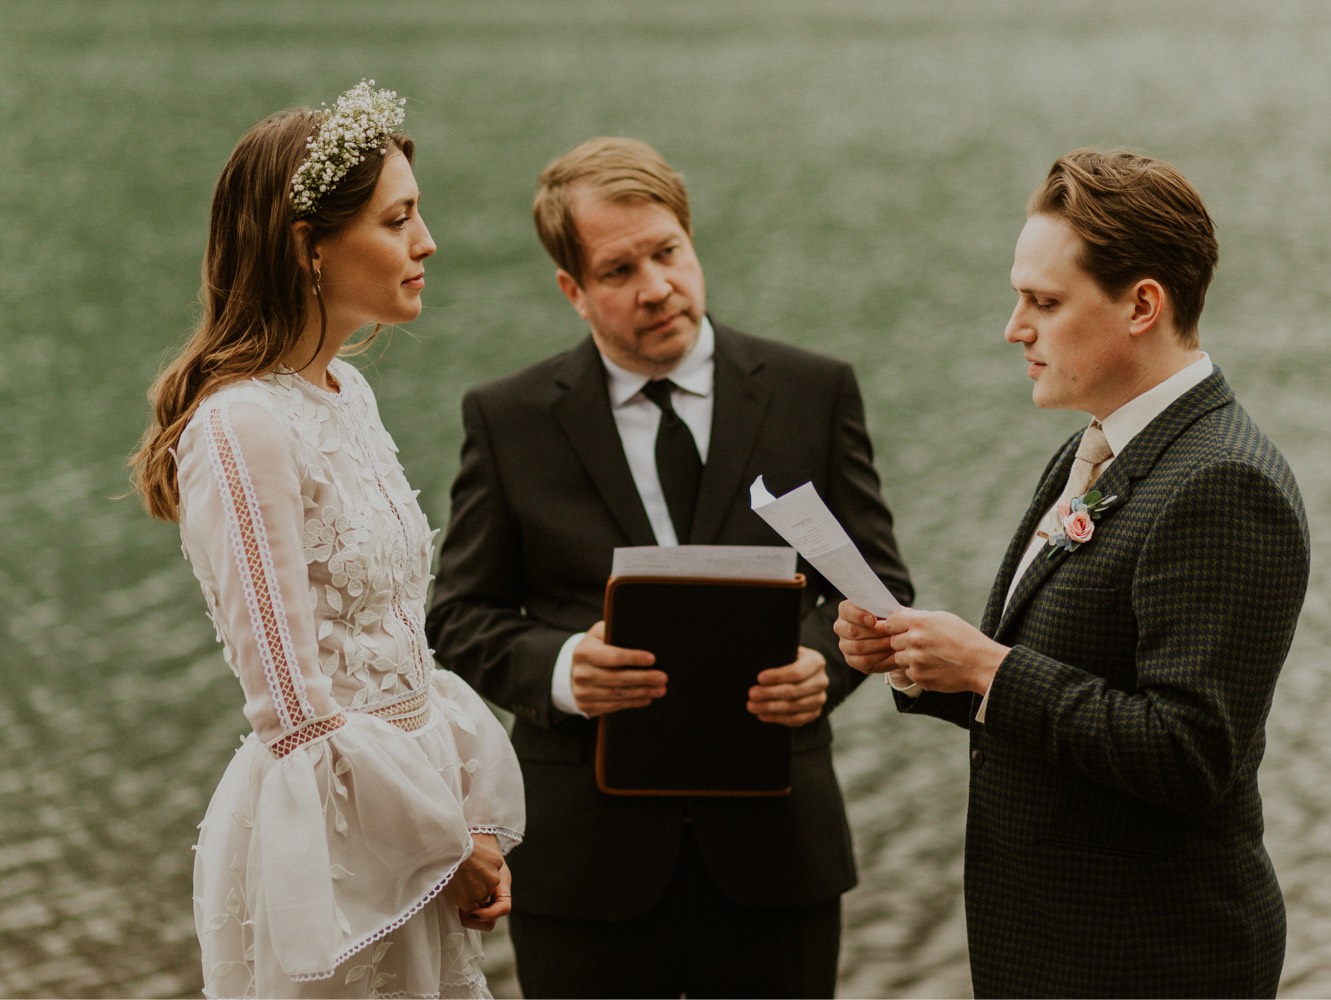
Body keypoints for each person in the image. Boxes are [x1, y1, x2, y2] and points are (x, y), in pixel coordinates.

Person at [426, 136, 912, 998]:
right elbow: (460, 614)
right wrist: (567, 669)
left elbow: (874, 582)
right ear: (572, 290)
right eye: (619, 271)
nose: (656, 287)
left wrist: (823, 664)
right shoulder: (510, 419)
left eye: (669, 253)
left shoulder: (813, 390)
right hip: (585, 864)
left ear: (692, 244)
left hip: (778, 850)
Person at [836, 148, 1311, 998]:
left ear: (1142, 305)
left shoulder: (1223, 483)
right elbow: (1064, 678)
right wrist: (922, 660)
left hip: (1150, 961)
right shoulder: (1097, 444)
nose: (1013, 327)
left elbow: (1191, 753)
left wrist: (986, 666)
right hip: (1054, 950)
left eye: (1044, 303)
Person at [128, 80, 525, 998]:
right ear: (308, 246)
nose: (426, 244)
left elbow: (400, 644)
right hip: (341, 841)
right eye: (398, 221)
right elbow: (293, 707)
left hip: (415, 813)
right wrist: (437, 840)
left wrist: (461, 813)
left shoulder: (350, 392)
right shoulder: (240, 427)